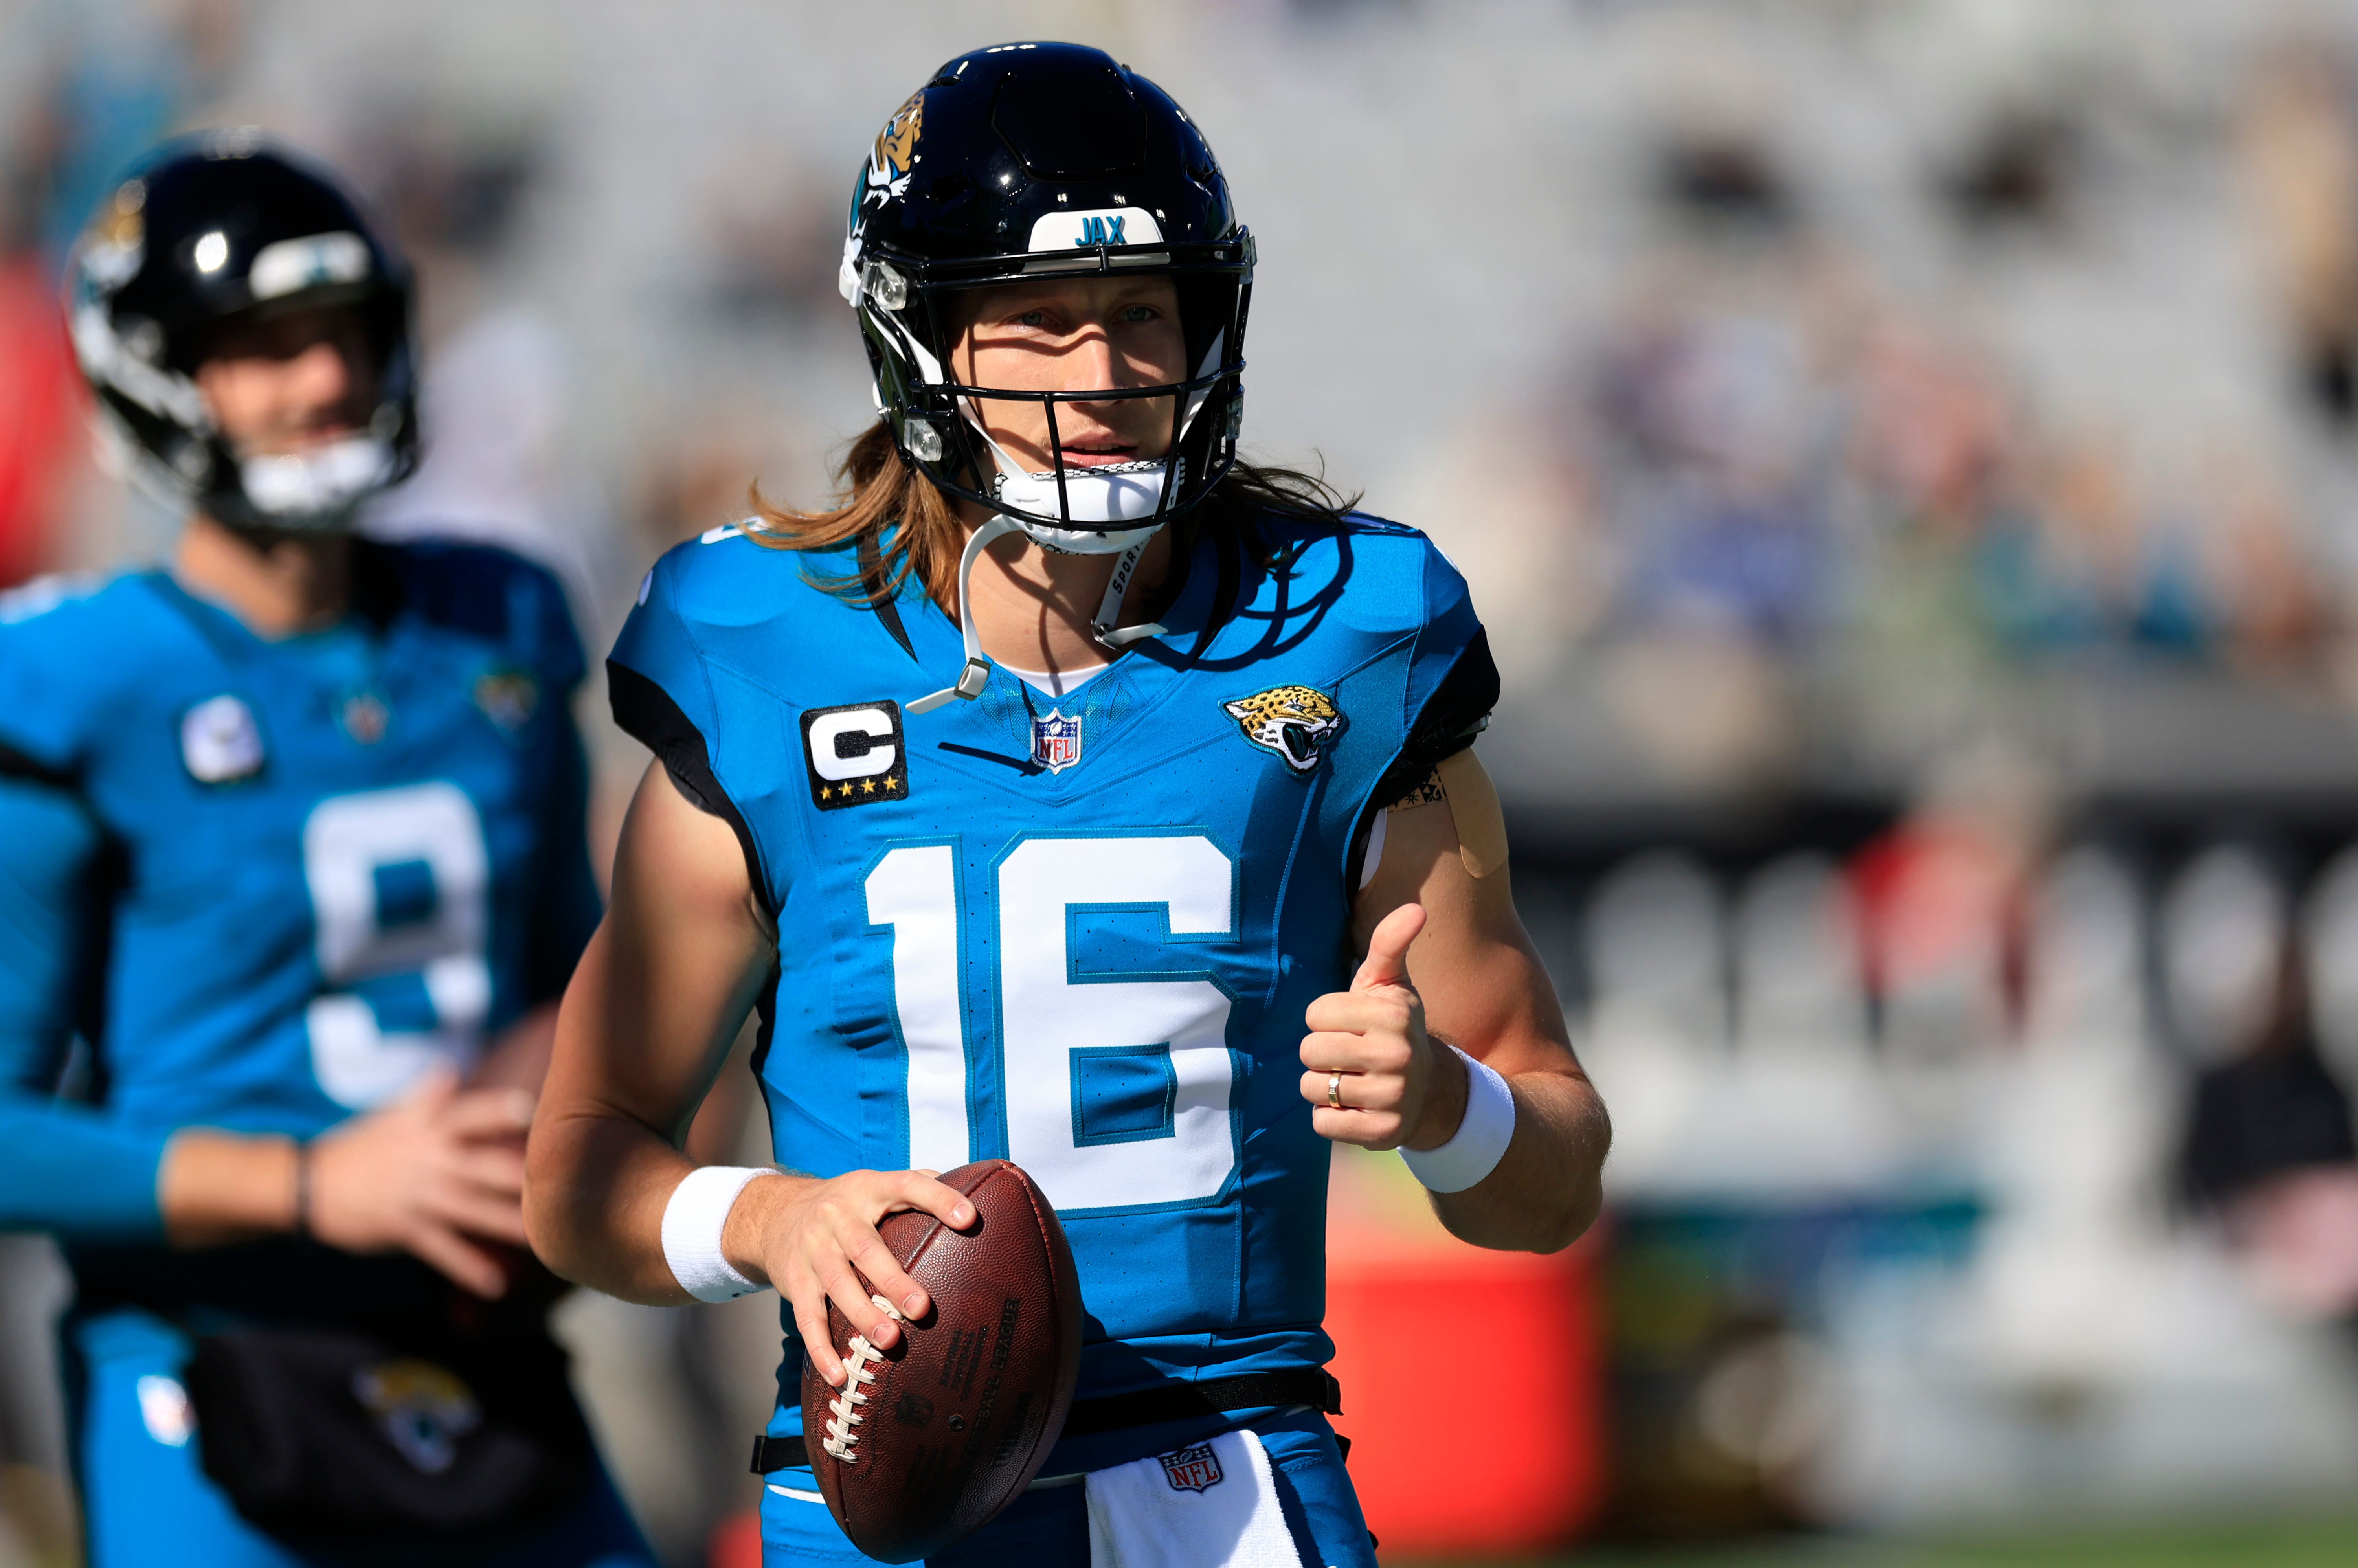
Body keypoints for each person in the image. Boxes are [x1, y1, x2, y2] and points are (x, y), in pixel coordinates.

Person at [525, 43, 1609, 1568]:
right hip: (880, 1490)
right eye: (1041, 323)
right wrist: (772, 1220)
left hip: (1229, 1482)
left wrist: (1444, 1103)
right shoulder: (763, 649)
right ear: (927, 340)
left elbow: (1553, 1175)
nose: (1102, 375)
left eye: (1141, 316)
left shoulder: (1345, 636)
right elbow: (579, 1172)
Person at [0, 132, 653, 1567]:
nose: (324, 380)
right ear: (154, 371)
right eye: (264, 347)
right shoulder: (81, 684)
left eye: (345, 333)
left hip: (475, 1338)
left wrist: (547, 1094)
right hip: (212, 1348)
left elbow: (574, 971)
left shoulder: (499, 624)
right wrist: (311, 1184)